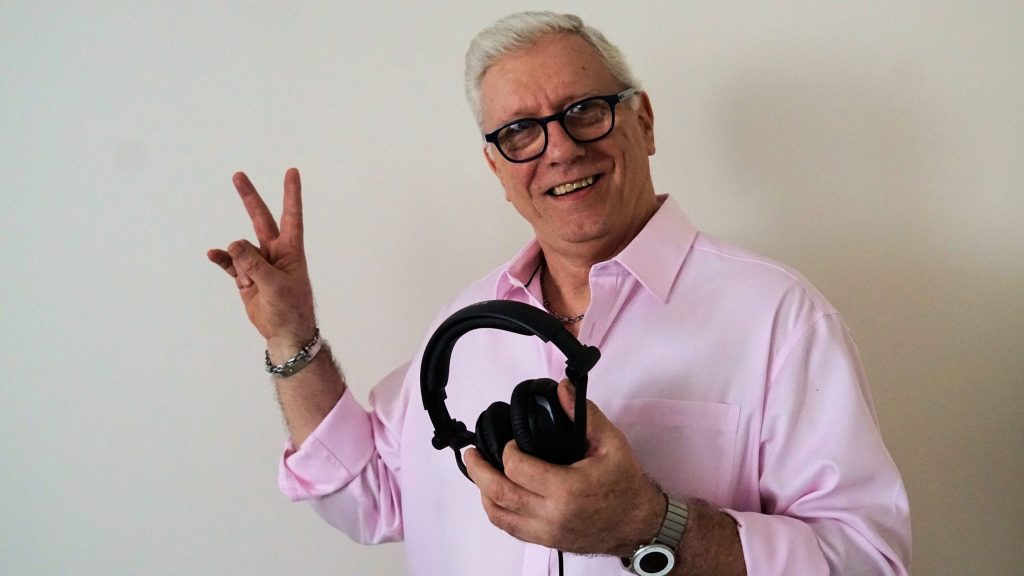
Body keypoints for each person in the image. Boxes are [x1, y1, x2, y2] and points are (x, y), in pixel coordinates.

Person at [208, 11, 911, 576]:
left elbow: (868, 562)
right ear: (496, 167)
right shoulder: (461, 330)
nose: (561, 148)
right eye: (520, 131)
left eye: (584, 110)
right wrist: (292, 337)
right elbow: (371, 497)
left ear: (644, 122)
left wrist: (649, 524)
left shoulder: (779, 318)